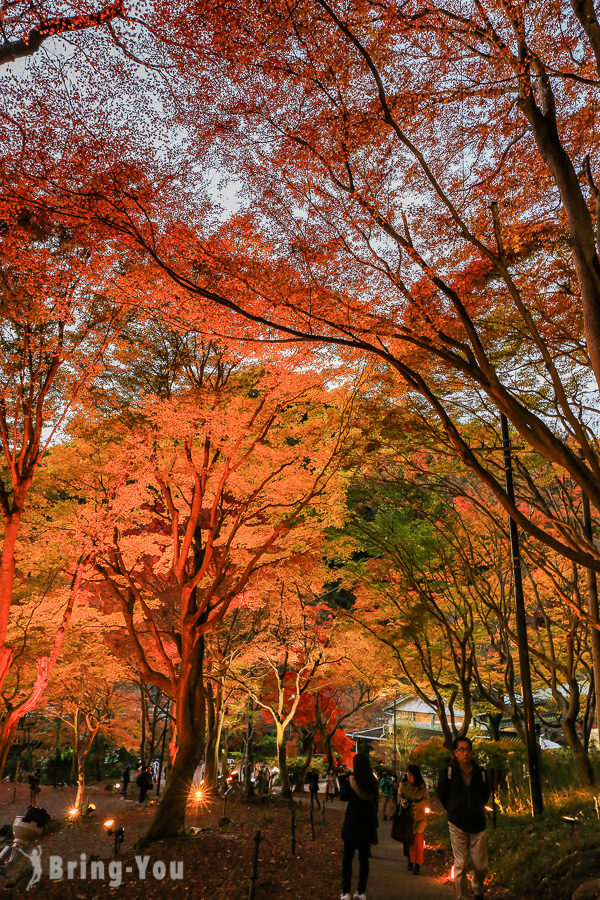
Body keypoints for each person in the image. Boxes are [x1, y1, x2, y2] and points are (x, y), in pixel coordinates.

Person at [436, 736, 490, 900]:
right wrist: (452, 808)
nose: (465, 753)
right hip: (457, 822)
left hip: (478, 823)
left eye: (468, 749)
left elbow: (486, 793)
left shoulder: (480, 772)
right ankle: (462, 897)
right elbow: (441, 792)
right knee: (460, 865)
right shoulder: (448, 771)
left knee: (481, 866)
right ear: (455, 752)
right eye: (461, 750)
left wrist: (478, 807)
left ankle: (477, 887)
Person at [339, 754, 379, 900]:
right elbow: (376, 804)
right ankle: (361, 892)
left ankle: (346, 892)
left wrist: (343, 780)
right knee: (364, 860)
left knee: (347, 859)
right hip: (367, 825)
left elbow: (343, 796)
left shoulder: (352, 781)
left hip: (352, 824)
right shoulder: (373, 782)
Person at [398, 764, 428, 874]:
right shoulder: (404, 784)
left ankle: (418, 864)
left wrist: (418, 805)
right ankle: (410, 861)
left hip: (419, 817)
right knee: (409, 841)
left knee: (419, 842)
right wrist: (403, 802)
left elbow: (426, 799)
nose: (408, 775)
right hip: (407, 817)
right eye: (407, 773)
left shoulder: (422, 785)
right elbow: (399, 796)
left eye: (410, 774)